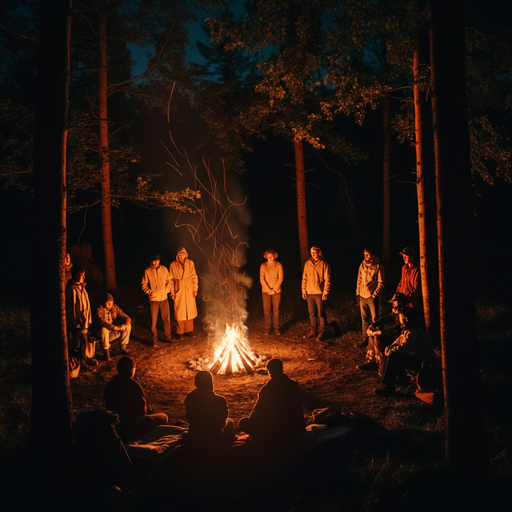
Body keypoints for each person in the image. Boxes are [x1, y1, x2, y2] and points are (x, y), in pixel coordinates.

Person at [239, 359, 305, 443]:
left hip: (274, 431)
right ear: (281, 369)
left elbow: (257, 411)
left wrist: (251, 422)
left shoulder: (267, 389)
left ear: (269, 371)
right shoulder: (293, 384)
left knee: (243, 422)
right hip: (294, 428)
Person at [104, 356, 168, 442]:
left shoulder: (110, 385)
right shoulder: (134, 386)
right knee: (163, 417)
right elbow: (141, 412)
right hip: (132, 428)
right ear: (131, 370)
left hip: (116, 425)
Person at [374, 307, 435, 397]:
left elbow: (404, 348)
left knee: (393, 356)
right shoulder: (407, 329)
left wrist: (391, 350)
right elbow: (398, 341)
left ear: (406, 318)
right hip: (416, 357)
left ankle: (389, 387)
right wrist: (389, 347)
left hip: (423, 362)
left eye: (400, 317)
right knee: (391, 352)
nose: (399, 318)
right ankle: (400, 379)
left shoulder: (413, 332)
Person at [184, 370, 234, 452]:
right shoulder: (220, 400)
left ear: (196, 382)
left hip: (194, 437)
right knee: (230, 422)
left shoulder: (190, 398)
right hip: (214, 438)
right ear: (210, 382)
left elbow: (188, 417)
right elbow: (222, 423)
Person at [357, 292, 407, 371]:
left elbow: (397, 328)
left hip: (399, 337)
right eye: (393, 302)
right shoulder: (395, 311)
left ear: (401, 302)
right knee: (372, 334)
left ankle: (382, 364)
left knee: (378, 337)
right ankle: (372, 360)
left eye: (395, 302)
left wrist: (380, 332)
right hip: (394, 334)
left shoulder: (404, 312)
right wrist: (373, 325)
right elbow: (387, 318)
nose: (393, 304)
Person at [66, 265, 98, 367]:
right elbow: (71, 306)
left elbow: (86, 304)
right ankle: (80, 362)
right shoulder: (71, 288)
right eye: (82, 275)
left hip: (83, 320)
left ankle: (84, 359)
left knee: (83, 341)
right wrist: (74, 320)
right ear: (76, 275)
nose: (84, 277)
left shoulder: (81, 287)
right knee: (78, 342)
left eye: (84, 275)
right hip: (77, 321)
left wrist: (88, 318)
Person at [356, 247, 385, 345]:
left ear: (372, 255)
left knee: (374, 319)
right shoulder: (362, 265)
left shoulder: (378, 267)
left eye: (367, 254)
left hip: (371, 297)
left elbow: (381, 283)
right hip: (362, 295)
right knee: (364, 319)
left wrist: (374, 294)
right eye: (364, 255)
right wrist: (358, 292)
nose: (365, 256)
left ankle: (375, 339)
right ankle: (365, 338)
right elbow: (359, 279)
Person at [302, 246, 331, 340]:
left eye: (315, 252)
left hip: (319, 292)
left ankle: (322, 332)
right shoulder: (307, 264)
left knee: (321, 314)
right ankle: (313, 331)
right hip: (309, 292)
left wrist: (325, 292)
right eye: (311, 252)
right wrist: (303, 290)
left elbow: (328, 279)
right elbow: (304, 277)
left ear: (319, 253)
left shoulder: (324, 264)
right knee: (311, 313)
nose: (313, 254)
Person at [141, 253, 172, 345]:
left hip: (164, 298)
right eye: (153, 261)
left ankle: (168, 337)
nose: (155, 263)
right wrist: (150, 292)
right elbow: (143, 284)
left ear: (159, 261)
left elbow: (169, 281)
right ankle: (154, 339)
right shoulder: (147, 271)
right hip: (153, 299)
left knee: (166, 319)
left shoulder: (164, 269)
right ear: (151, 261)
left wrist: (166, 290)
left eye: (157, 261)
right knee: (153, 321)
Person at [169, 247, 198, 338]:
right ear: (177, 256)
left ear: (186, 255)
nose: (181, 257)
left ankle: (189, 330)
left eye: (183, 255)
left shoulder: (190, 263)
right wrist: (172, 293)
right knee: (179, 312)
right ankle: (180, 332)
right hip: (179, 290)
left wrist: (195, 289)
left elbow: (194, 276)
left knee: (189, 311)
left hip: (189, 289)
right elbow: (170, 280)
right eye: (180, 255)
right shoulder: (173, 265)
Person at [97, 293, 132, 361]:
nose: (110, 305)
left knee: (128, 326)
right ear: (104, 303)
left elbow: (127, 317)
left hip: (111, 332)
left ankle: (123, 348)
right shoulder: (99, 309)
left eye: (111, 303)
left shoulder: (114, 308)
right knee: (104, 329)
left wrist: (126, 324)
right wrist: (115, 327)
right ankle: (106, 353)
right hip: (102, 335)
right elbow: (101, 322)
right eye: (108, 303)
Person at [260, 250, 284, 335]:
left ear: (275, 256)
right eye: (268, 256)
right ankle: (267, 329)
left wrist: (274, 290)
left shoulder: (278, 265)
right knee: (266, 311)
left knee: (276, 310)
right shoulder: (263, 266)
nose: (270, 258)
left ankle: (276, 329)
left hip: (276, 291)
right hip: (265, 292)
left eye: (271, 256)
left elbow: (280, 278)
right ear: (265, 256)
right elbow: (262, 279)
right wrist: (268, 290)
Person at [395, 247, 423, 321]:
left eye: (406, 256)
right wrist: (397, 295)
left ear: (412, 256)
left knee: (411, 322)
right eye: (403, 256)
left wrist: (407, 299)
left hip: (411, 303)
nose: (404, 258)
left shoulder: (416, 270)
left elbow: (416, 289)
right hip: (403, 302)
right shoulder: (404, 268)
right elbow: (401, 283)